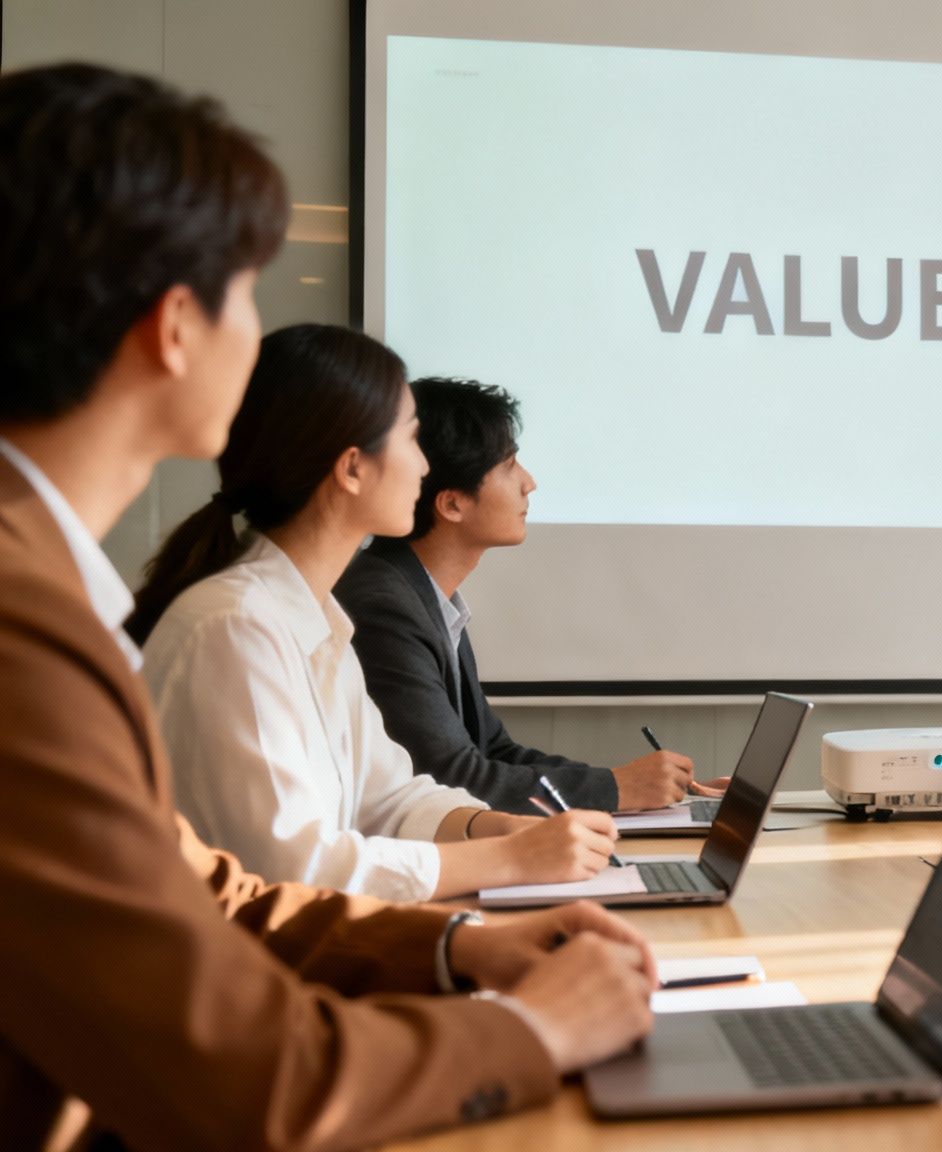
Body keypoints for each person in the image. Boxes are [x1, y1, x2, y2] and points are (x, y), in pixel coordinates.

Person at [0, 62, 652, 1149]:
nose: (258, 341)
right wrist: (531, 1034)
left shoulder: (59, 593)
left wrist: (455, 950)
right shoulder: (37, 626)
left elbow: (210, 891)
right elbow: (241, 1072)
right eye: (249, 295)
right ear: (172, 328)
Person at [128, 324, 623, 902]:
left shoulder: (317, 616)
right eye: (411, 439)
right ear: (352, 468)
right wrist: (510, 857)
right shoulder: (236, 626)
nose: (422, 464)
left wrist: (496, 826)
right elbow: (297, 866)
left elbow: (390, 796)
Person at [333, 376, 714, 812]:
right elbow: (451, 776)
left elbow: (494, 750)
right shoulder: (385, 604)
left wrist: (642, 786)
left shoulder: (424, 597)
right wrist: (616, 789)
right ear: (452, 503)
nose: (528, 482)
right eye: (510, 465)